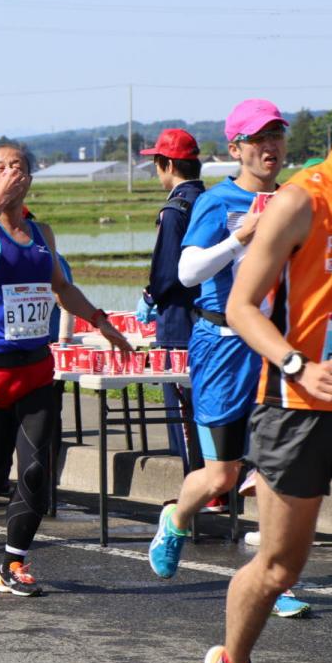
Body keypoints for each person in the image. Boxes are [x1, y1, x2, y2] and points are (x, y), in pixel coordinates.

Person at [202, 73, 332, 663]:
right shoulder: (300, 202)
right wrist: (298, 363)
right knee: (280, 567)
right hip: (296, 410)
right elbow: (240, 305)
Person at [0, 143, 130, 594]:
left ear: (30, 179)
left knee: (37, 470)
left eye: (19, 167)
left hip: (37, 368)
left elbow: (62, 288)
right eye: (0, 168)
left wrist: (101, 321)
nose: (11, 172)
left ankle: (12, 566)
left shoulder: (42, 234)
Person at [147, 100, 310, 617]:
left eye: (277, 136)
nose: (270, 147)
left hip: (276, 347)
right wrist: (241, 235)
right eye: (258, 138)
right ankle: (175, 518)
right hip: (221, 346)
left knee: (272, 470)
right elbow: (189, 271)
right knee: (221, 476)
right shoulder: (218, 202)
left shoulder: (295, 199)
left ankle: (274, 580)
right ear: (236, 148)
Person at [137, 129, 205, 474]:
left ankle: (197, 482)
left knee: (181, 408)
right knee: (208, 404)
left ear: (165, 164)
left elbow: (166, 272)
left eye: (156, 163)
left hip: (179, 321)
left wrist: (149, 295)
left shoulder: (175, 209)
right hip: (211, 317)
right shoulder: (210, 203)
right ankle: (216, 483)